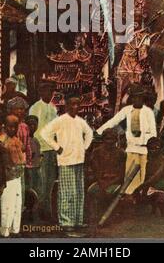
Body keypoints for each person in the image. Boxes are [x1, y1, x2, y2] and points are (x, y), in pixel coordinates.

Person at [41, 96, 93, 236]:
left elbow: (89, 133)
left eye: (77, 104)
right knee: (67, 192)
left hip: (79, 159)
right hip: (65, 161)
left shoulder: (80, 121)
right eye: (72, 104)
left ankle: (77, 221)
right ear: (66, 106)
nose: (75, 107)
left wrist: (84, 147)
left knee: (78, 191)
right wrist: (57, 147)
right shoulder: (60, 120)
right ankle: (66, 222)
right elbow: (45, 133)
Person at [97, 83, 156, 195]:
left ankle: (141, 198)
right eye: (134, 97)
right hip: (131, 148)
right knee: (129, 177)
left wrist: (151, 142)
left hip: (144, 149)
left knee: (143, 175)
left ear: (143, 98)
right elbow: (113, 121)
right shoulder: (127, 110)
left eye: (139, 97)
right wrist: (98, 131)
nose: (136, 100)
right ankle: (129, 198)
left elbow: (153, 131)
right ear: (131, 98)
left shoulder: (148, 112)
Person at [29, 82, 58, 219]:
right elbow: (34, 130)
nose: (49, 94)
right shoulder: (35, 107)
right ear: (41, 93)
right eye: (46, 91)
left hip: (51, 149)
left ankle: (47, 211)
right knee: (41, 181)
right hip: (41, 149)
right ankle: (38, 212)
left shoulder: (53, 108)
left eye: (51, 91)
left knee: (50, 181)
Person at [88, 128, 126, 223]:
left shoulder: (121, 153)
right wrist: (102, 183)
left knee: (109, 193)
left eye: (112, 139)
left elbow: (121, 175)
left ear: (116, 140)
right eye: (107, 139)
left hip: (115, 182)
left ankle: (108, 217)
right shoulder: (96, 152)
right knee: (92, 191)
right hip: (100, 181)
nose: (109, 142)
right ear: (103, 140)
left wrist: (109, 183)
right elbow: (95, 171)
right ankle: (94, 216)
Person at [134, 137, 164, 216]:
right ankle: (153, 206)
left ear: (160, 149)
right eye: (151, 148)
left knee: (158, 193)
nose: (153, 150)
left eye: (156, 148)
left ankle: (162, 206)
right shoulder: (149, 161)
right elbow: (147, 177)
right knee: (143, 194)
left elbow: (156, 177)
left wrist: (139, 188)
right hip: (152, 185)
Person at [0, 115, 25, 237]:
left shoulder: (16, 140)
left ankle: (15, 230)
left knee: (17, 204)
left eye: (15, 127)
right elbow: (3, 161)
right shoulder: (2, 140)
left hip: (18, 175)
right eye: (10, 127)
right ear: (5, 127)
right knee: (7, 205)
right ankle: (5, 232)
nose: (12, 129)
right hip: (8, 177)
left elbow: (22, 155)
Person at [7, 96, 31, 212]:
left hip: (22, 158)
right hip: (12, 158)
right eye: (17, 109)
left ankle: (20, 209)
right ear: (11, 110)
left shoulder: (25, 126)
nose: (20, 111)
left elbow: (27, 144)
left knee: (21, 184)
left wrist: (28, 158)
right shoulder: (10, 123)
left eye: (22, 109)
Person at [25, 115, 42, 195]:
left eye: (34, 125)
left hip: (36, 169)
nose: (32, 127)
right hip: (29, 170)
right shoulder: (25, 140)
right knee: (30, 191)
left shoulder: (35, 140)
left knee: (37, 190)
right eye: (30, 125)